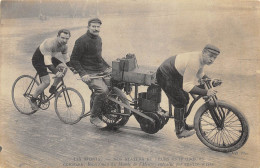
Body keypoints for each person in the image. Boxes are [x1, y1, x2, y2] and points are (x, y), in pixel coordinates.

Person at [156, 44, 220, 139]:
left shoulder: (200, 59)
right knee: (180, 101)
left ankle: (183, 125)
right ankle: (179, 131)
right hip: (166, 74)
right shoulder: (194, 61)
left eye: (214, 58)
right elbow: (186, 86)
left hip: (174, 73)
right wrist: (206, 92)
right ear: (204, 52)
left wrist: (210, 80)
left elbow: (200, 73)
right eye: (210, 56)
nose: (212, 60)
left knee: (185, 98)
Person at [70, 18, 110, 128]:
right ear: (88, 27)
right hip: (88, 73)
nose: (96, 29)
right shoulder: (81, 41)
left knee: (114, 85)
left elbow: (98, 57)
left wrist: (108, 67)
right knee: (102, 90)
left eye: (98, 27)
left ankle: (104, 111)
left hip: (99, 71)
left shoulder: (98, 39)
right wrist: (83, 74)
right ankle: (94, 117)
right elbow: (73, 60)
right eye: (93, 26)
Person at [29, 29, 73, 110]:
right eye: (62, 38)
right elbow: (47, 62)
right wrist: (56, 72)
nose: (64, 40)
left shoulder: (65, 46)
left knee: (64, 68)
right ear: (57, 36)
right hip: (38, 59)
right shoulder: (49, 43)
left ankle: (53, 88)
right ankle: (32, 100)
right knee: (46, 82)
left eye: (67, 39)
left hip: (49, 57)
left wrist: (75, 70)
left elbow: (67, 59)